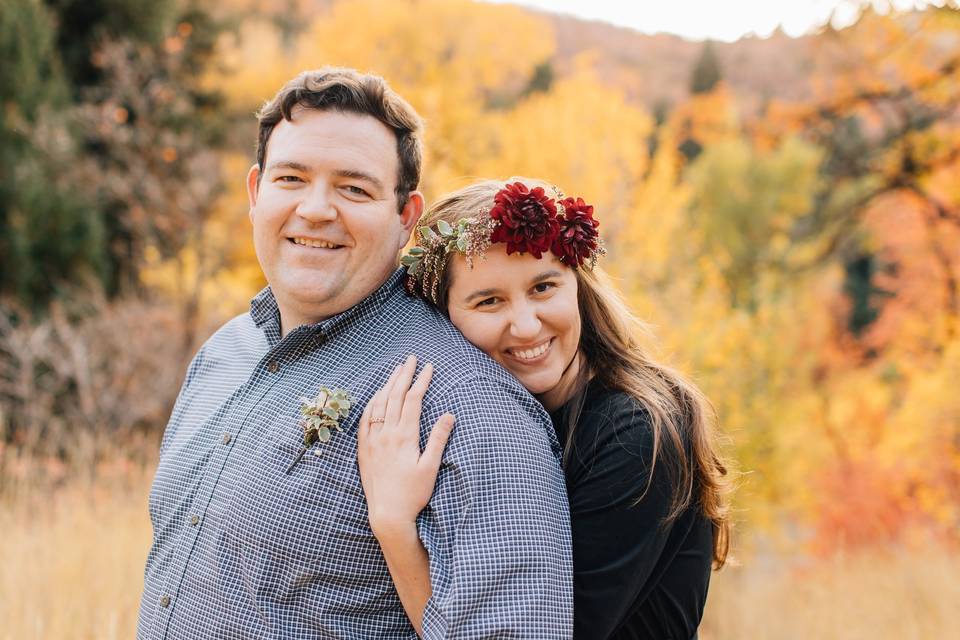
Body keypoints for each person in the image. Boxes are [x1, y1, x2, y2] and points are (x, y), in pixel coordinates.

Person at [137, 70, 574, 639]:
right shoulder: (224, 352)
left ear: (405, 218)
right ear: (255, 193)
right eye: (291, 178)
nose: (316, 209)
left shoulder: (466, 402)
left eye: (354, 188)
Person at [357, 178, 732, 639]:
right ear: (444, 318)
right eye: (489, 301)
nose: (527, 325)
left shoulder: (636, 436)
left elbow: (518, 630)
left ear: (577, 285)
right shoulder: (482, 423)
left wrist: (394, 527)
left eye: (543, 287)